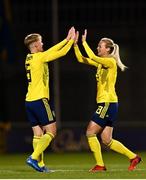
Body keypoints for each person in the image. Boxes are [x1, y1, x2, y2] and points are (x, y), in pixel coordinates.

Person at [74, 30, 141, 172]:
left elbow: (91, 55)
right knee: (106, 140)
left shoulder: (110, 62)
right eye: (98, 46)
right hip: (110, 104)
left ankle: (100, 165)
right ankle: (133, 157)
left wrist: (84, 42)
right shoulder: (101, 64)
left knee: (90, 133)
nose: (98, 48)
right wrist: (75, 45)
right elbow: (81, 59)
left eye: (100, 46)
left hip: (107, 103)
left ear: (108, 50)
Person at [24, 27, 75, 172]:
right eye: (40, 42)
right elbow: (61, 52)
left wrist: (66, 39)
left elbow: (50, 51)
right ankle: (33, 158)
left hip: (29, 101)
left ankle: (40, 165)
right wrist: (71, 42)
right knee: (52, 131)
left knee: (38, 134)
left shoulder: (29, 57)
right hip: (40, 100)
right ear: (34, 45)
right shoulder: (40, 58)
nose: (42, 44)